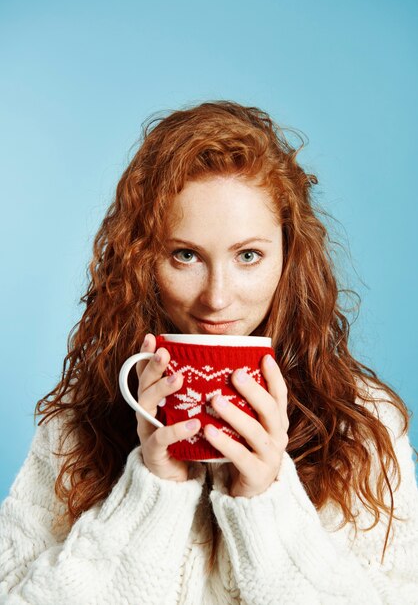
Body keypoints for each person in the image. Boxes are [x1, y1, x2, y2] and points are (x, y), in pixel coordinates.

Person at [0, 100, 417, 605]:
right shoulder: (74, 429)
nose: (217, 298)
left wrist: (266, 502)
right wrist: (151, 491)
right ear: (142, 262)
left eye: (248, 256)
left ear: (289, 255)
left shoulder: (363, 425)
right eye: (186, 255)